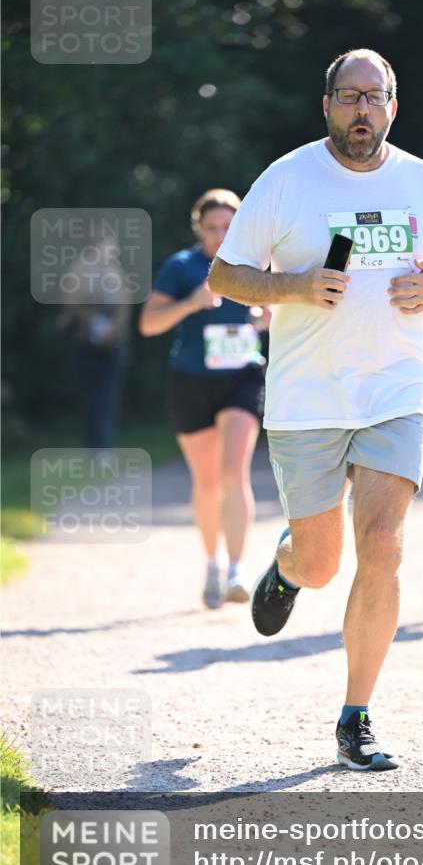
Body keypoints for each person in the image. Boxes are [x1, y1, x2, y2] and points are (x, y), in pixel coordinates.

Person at [208, 49, 423, 771]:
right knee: (323, 563)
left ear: (393, 105)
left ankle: (356, 714)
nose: (363, 109)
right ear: (326, 104)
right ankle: (288, 566)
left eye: (375, 96)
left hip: (395, 388)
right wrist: (295, 286)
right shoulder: (286, 179)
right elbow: (224, 273)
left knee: (383, 544)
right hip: (307, 396)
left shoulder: (421, 180)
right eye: (349, 96)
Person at [139, 190, 267, 608]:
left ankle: (237, 570)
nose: (219, 235)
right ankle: (213, 563)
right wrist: (191, 303)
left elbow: (286, 310)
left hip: (242, 379)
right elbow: (149, 324)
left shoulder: (256, 264)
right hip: (191, 381)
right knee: (207, 481)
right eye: (212, 228)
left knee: (234, 473)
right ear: (198, 228)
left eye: (228, 227)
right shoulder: (181, 267)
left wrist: (268, 316)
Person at [61, 233, 131, 464]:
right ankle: (94, 447)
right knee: (92, 397)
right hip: (86, 342)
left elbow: (124, 306)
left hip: (113, 344)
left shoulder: (115, 271)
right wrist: (94, 321)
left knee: (108, 397)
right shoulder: (78, 271)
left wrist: (115, 330)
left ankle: (103, 448)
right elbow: (72, 304)